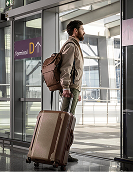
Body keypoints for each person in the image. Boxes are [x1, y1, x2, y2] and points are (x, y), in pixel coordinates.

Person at [59, 20, 85, 162]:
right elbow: (66, 68)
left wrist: (77, 91)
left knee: (68, 120)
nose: (84, 32)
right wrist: (67, 87)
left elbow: (76, 70)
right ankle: (61, 153)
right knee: (66, 121)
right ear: (75, 31)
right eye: (82, 29)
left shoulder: (75, 45)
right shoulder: (70, 46)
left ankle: (63, 152)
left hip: (74, 89)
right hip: (70, 89)